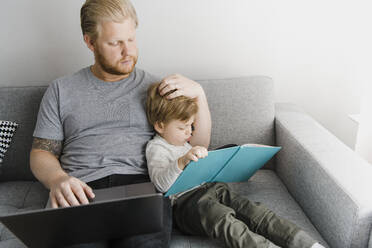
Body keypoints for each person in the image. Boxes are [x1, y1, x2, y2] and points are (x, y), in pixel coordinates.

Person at [29, 0, 211, 247]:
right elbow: (41, 152)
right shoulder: (61, 90)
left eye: (131, 39)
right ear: (90, 42)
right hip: (82, 190)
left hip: (141, 189)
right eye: (115, 43)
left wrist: (199, 94)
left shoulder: (158, 90)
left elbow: (196, 147)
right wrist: (58, 180)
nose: (128, 52)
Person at [145, 82, 326, 248]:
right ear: (160, 126)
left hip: (211, 188)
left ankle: (305, 243)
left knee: (254, 212)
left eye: (191, 125)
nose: (189, 132)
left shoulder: (183, 142)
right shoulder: (156, 148)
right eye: (182, 127)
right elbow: (161, 184)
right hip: (186, 204)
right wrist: (182, 161)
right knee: (223, 219)